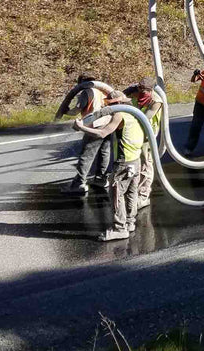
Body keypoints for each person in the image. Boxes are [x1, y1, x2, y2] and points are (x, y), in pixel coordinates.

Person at [74, 90, 146, 241]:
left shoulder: (120, 115)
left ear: (117, 104)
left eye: (111, 105)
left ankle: (119, 229)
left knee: (117, 195)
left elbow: (102, 133)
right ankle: (129, 222)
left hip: (124, 162)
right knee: (131, 193)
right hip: (135, 160)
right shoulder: (134, 113)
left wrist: (81, 128)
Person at [58, 72, 111, 194]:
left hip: (93, 125)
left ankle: (79, 183)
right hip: (107, 123)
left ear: (81, 83)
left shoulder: (85, 93)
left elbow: (77, 110)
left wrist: (66, 111)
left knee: (87, 155)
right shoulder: (102, 90)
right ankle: (101, 179)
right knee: (104, 152)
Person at [124, 76, 162, 209]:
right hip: (134, 132)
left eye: (144, 91)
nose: (141, 93)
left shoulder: (156, 101)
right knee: (132, 162)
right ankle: (131, 191)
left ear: (151, 90)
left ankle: (143, 196)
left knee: (146, 164)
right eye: (139, 89)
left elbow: (145, 118)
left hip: (147, 135)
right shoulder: (135, 92)